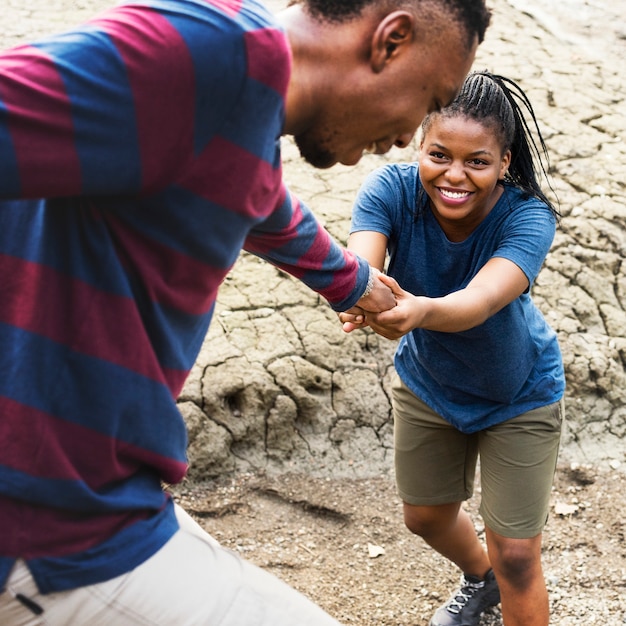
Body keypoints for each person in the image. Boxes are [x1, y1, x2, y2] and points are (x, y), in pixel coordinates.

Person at [0, 0, 491, 624]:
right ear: (389, 41)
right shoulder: (203, 54)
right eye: (427, 101)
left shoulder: (237, 102)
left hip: (99, 500)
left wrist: (352, 282)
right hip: (47, 527)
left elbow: (252, 194)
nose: (404, 136)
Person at [340, 71, 565, 626]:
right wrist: (355, 293)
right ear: (421, 145)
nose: (454, 176)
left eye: (477, 162)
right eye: (439, 154)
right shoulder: (390, 191)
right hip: (429, 385)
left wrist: (417, 311)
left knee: (517, 555)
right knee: (425, 517)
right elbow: (361, 264)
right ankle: (480, 578)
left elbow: (479, 301)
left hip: (520, 394)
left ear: (504, 162)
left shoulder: (528, 216)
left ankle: (501, 575)